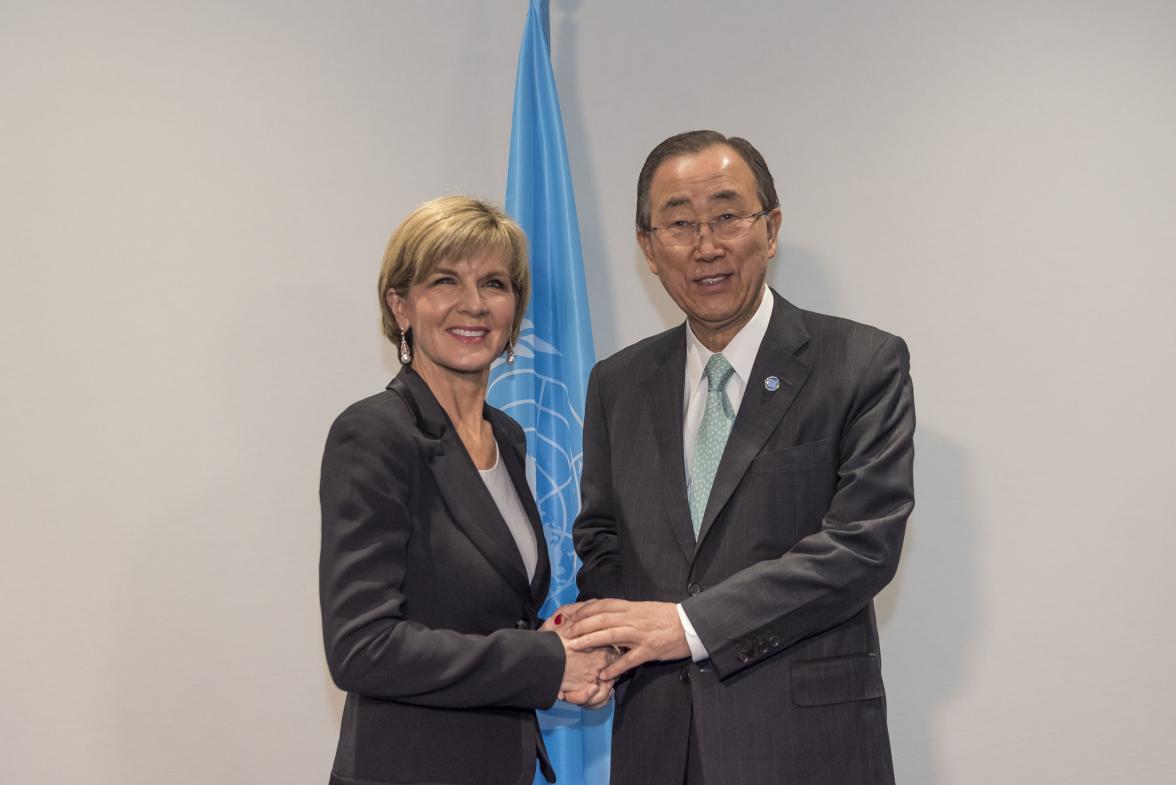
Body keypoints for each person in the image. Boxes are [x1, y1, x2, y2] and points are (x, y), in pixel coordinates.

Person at [563, 131, 916, 785]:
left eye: (727, 216)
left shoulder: (862, 365)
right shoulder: (617, 382)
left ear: (771, 228)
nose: (706, 246)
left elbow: (862, 547)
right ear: (648, 247)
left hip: (807, 747)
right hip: (657, 742)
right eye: (679, 223)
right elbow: (601, 538)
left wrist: (688, 625)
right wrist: (609, 627)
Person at [319, 195, 611, 785]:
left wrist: (555, 639)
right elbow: (361, 647)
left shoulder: (505, 437)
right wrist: (544, 662)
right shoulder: (375, 433)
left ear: (513, 312)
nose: (473, 304)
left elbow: (484, 608)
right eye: (445, 281)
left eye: (495, 284)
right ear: (400, 306)